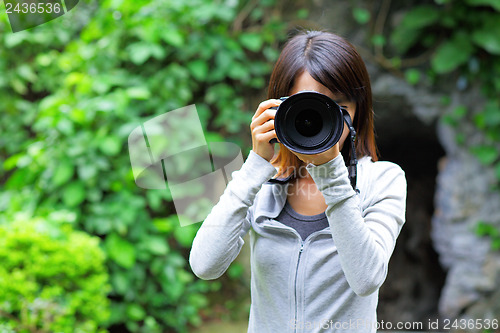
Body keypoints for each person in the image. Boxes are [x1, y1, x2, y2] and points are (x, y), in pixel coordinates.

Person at [189, 30, 407, 333]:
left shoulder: (383, 180)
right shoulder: (261, 182)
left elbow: (366, 279)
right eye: (310, 110)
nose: (321, 122)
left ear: (357, 114)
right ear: (280, 109)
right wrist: (256, 164)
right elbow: (205, 265)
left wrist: (330, 174)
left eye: (338, 109)